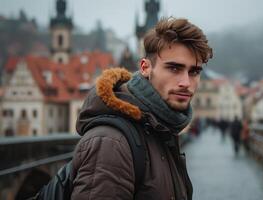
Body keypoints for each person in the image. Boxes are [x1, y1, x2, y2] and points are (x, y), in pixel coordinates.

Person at [71, 17, 212, 200]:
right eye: (174, 68)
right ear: (145, 67)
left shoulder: (161, 126)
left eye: (194, 72)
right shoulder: (111, 144)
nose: (186, 83)